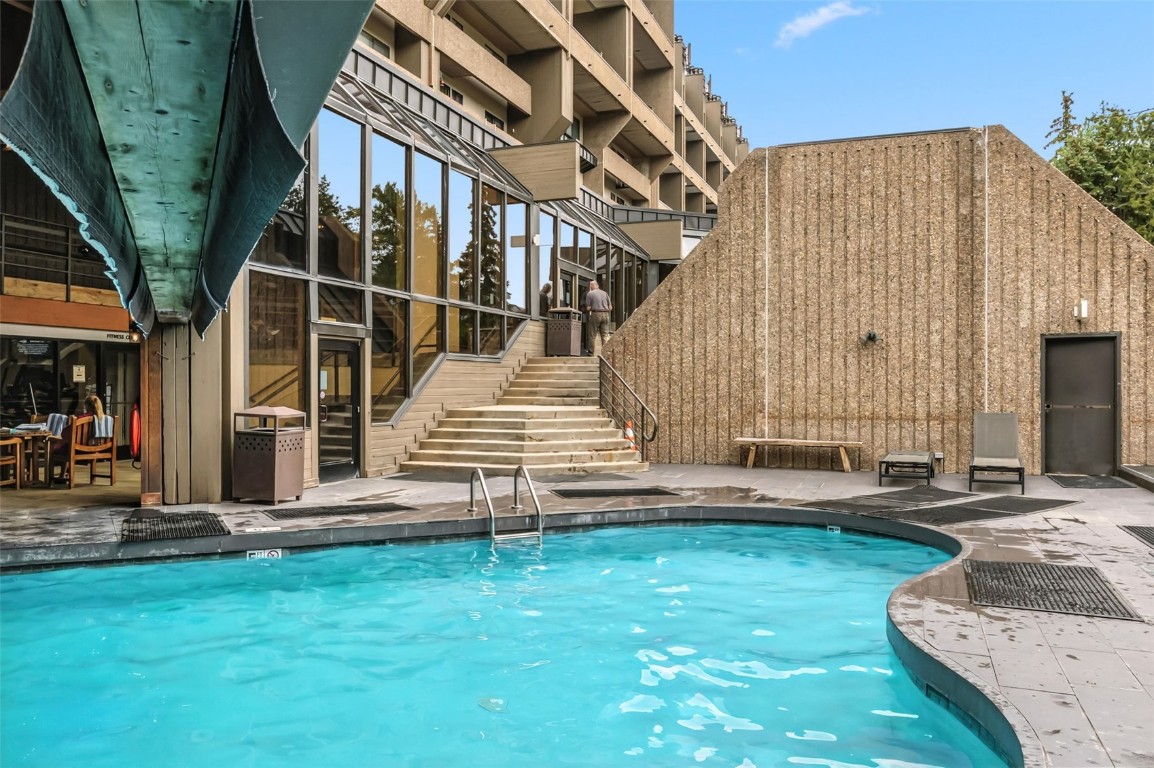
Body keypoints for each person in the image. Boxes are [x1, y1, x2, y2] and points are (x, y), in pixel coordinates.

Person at [584, 280, 612, 356]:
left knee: (592, 335)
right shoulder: (605, 293)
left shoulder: (590, 294)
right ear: (597, 285)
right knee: (605, 335)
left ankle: (591, 352)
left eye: (590, 286)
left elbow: (588, 308)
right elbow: (610, 307)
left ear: (591, 286)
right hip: (606, 314)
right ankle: (606, 353)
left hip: (596, 314)